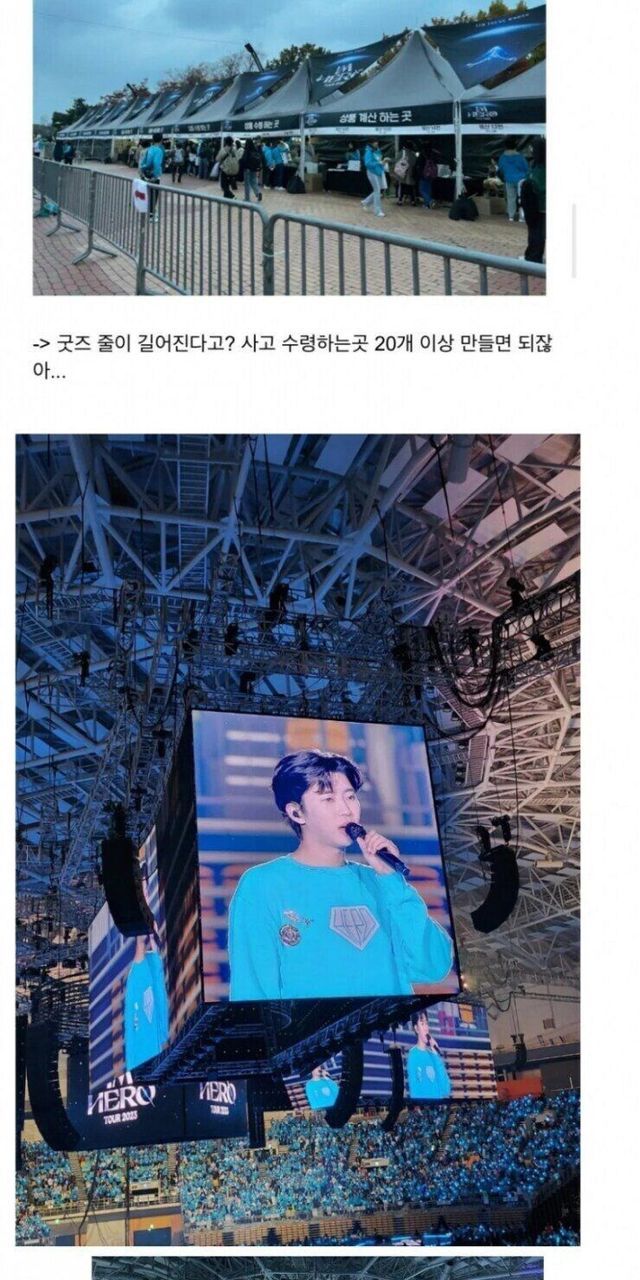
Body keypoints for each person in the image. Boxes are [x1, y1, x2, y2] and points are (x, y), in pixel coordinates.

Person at [228, 749, 453, 1000]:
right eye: (328, 799)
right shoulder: (262, 884)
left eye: (350, 796)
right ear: (296, 812)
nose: (346, 810)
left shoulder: (381, 881)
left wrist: (393, 881)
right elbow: (252, 991)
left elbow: (433, 967)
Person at [123, 932, 169, 1071]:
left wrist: (142, 939)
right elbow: (160, 1001)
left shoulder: (137, 1058)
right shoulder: (160, 1035)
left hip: (141, 1060)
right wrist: (151, 940)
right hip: (152, 1057)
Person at [406, 1011, 452, 1100]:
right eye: (422, 1024)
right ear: (416, 1029)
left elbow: (446, 1090)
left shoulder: (433, 1055)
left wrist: (436, 1055)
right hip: (425, 1107)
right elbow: (414, 1090)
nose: (426, 1028)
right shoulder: (413, 1055)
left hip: (439, 1105)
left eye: (427, 1023)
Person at [520, 137, 546, 263]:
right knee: (535, 231)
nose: (530, 150)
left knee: (537, 232)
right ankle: (532, 255)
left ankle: (534, 257)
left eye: (532, 148)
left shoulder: (542, 167)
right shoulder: (536, 164)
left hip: (539, 204)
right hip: (535, 204)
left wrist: (529, 183)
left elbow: (540, 185)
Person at [497, 138, 529, 222]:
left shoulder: (502, 157)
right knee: (522, 198)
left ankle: (511, 216)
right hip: (521, 180)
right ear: (515, 146)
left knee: (511, 198)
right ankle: (522, 217)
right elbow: (526, 168)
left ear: (505, 147)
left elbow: (501, 168)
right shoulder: (520, 157)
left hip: (508, 179)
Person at [140, 132, 165, 221]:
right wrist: (156, 175)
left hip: (147, 174)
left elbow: (143, 162)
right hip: (154, 176)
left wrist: (144, 170)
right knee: (154, 196)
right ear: (161, 140)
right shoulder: (159, 150)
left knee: (149, 194)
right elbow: (156, 163)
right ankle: (151, 215)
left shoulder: (149, 149)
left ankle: (149, 213)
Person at [361, 142, 386, 217]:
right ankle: (377, 211)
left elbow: (379, 160)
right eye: (374, 142)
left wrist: (382, 163)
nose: (376, 143)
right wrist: (379, 163)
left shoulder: (378, 150)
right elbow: (367, 164)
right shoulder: (368, 152)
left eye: (377, 141)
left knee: (378, 190)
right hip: (372, 172)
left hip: (379, 172)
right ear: (371, 143)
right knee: (377, 191)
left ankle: (365, 202)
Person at [242, 137, 263, 202]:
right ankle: (258, 193)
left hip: (247, 169)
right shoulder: (255, 150)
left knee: (247, 184)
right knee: (253, 182)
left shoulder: (246, 151)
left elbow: (244, 160)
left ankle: (247, 198)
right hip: (254, 169)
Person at [418, 144, 438, 209]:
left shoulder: (422, 155)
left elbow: (419, 165)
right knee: (428, 189)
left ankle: (430, 201)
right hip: (431, 174)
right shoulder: (433, 154)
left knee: (422, 190)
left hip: (424, 174)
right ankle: (426, 204)